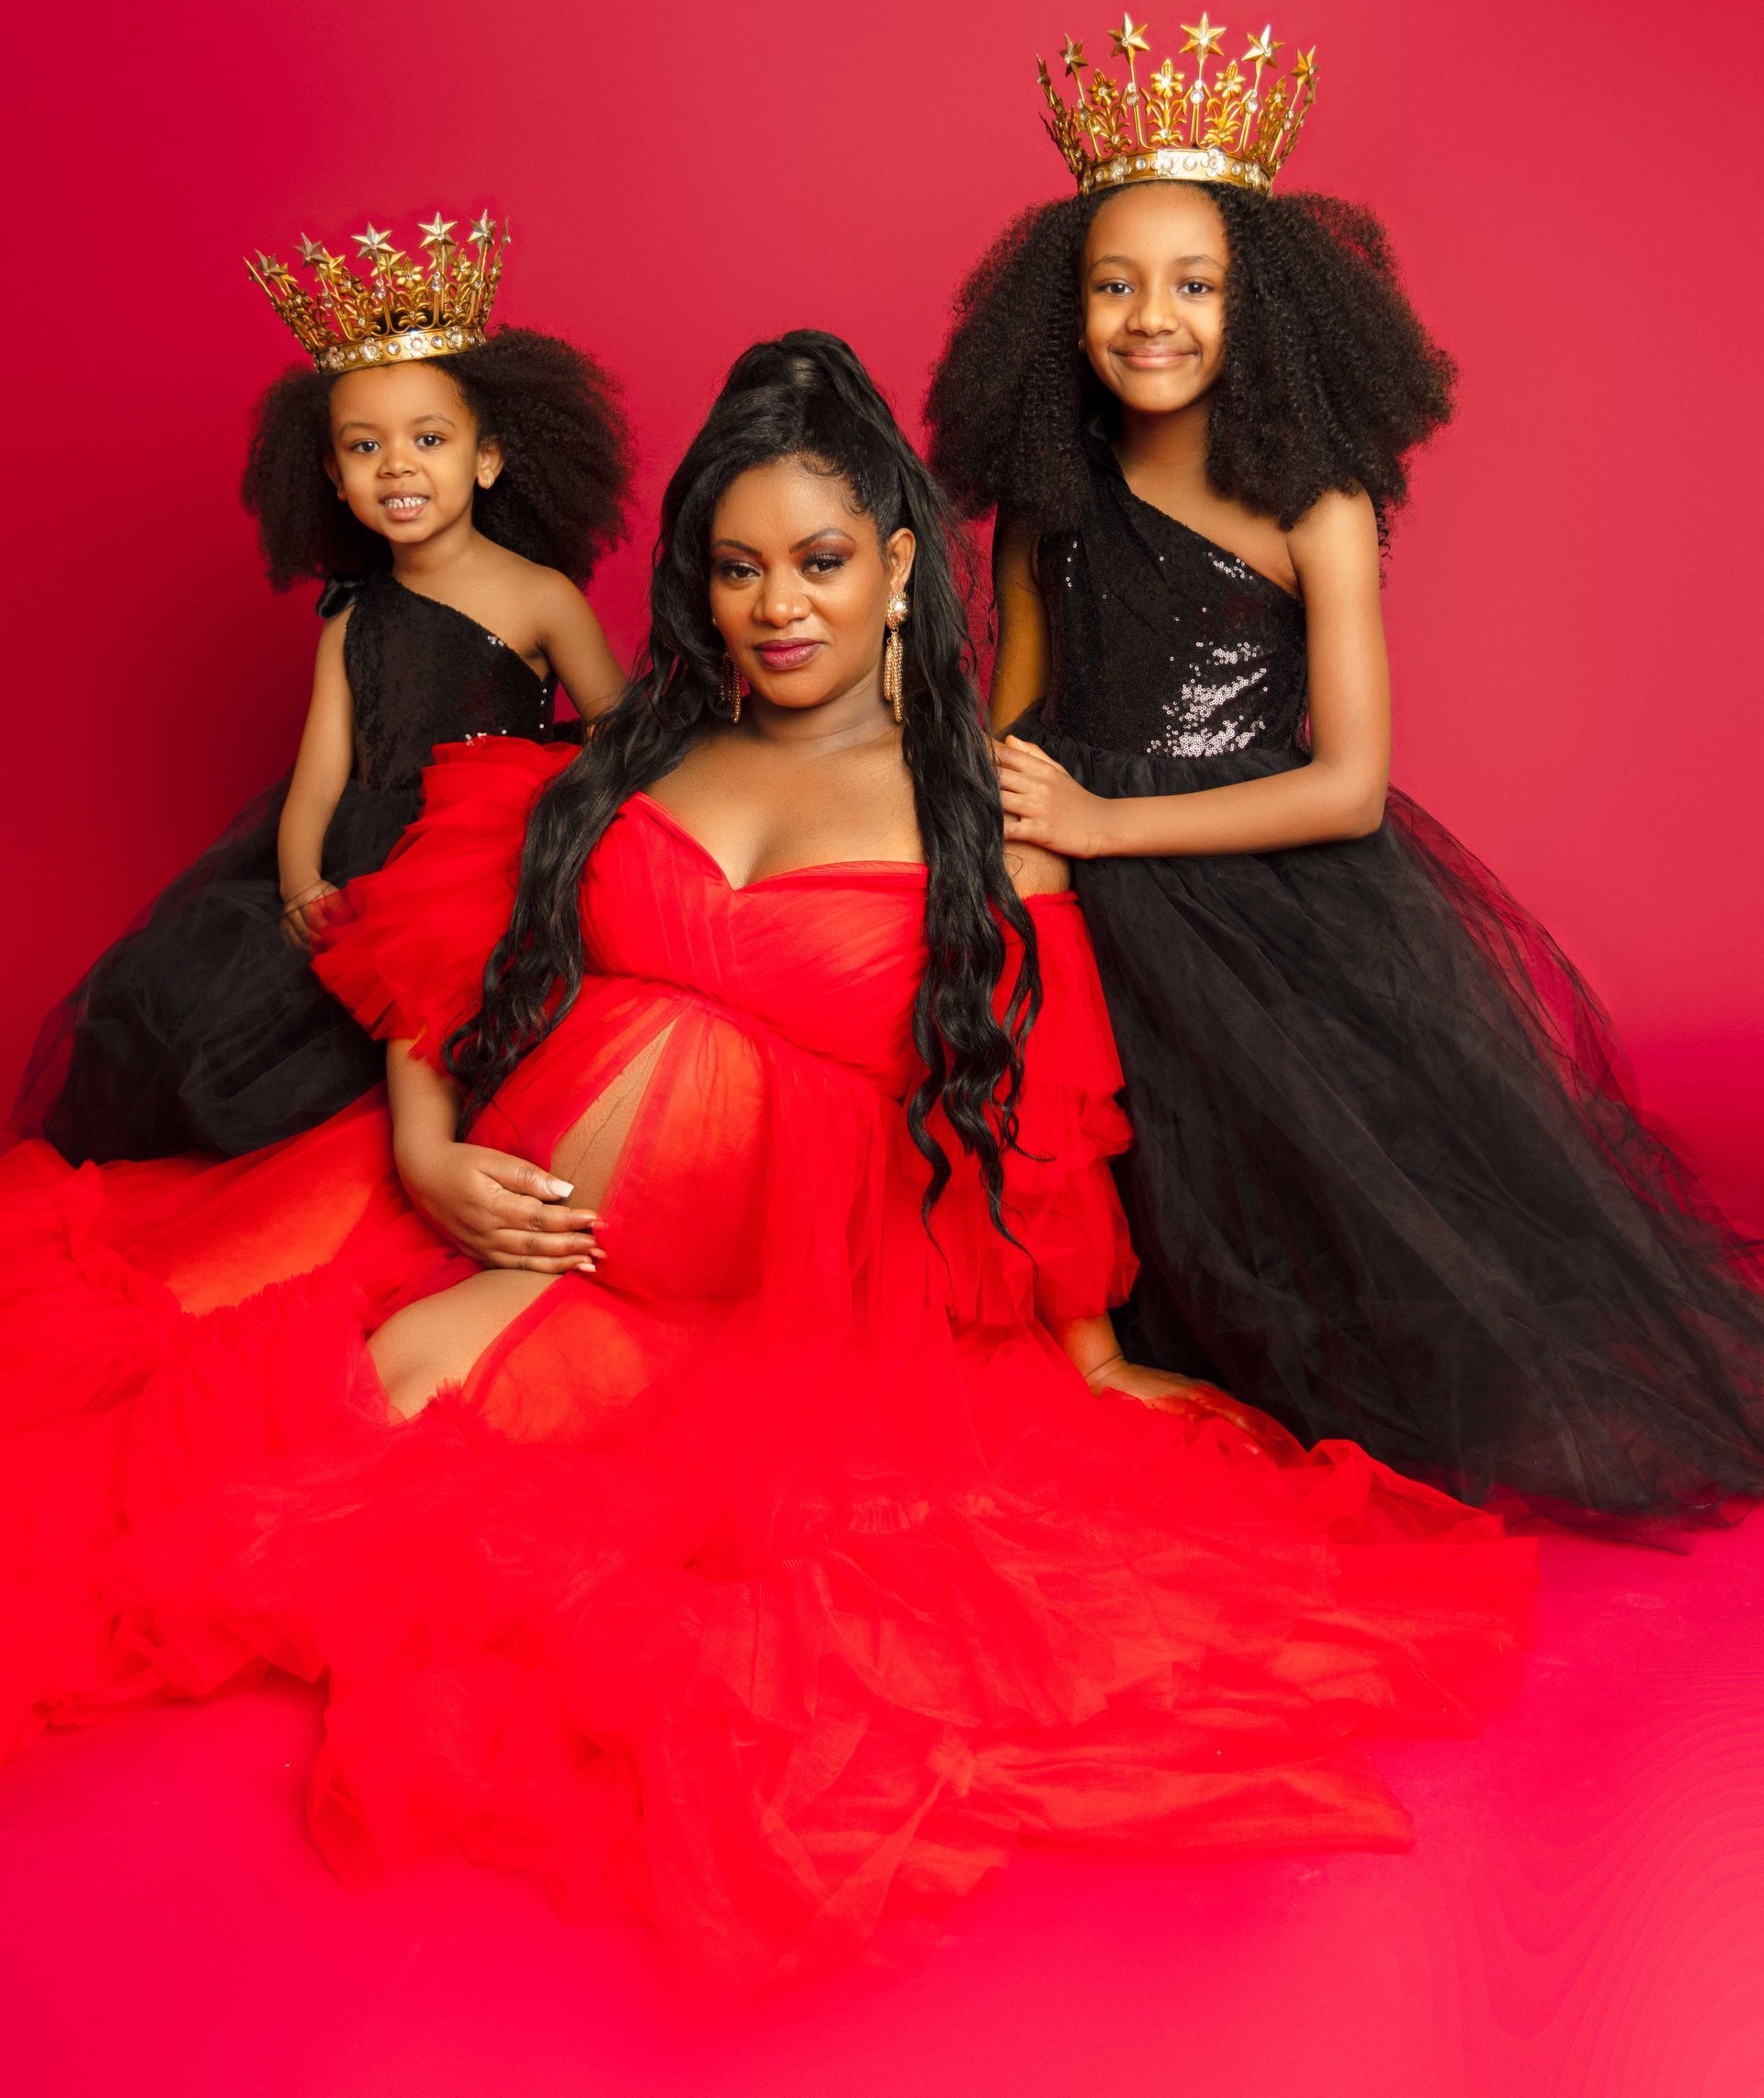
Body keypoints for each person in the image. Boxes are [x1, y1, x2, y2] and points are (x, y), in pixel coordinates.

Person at [0, 334, 1532, 1992]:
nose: (777, 605)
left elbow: (1034, 1107)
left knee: (662, 1617)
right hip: (546, 1256)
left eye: (817, 560)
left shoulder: (987, 814)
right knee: (274, 1445)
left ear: (898, 568)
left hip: (795, 1327)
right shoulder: (634, 756)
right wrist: (433, 1155)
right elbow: (441, 947)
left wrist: (1090, 1351)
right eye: (737, 568)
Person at [924, 8, 1764, 1530]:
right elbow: (1016, 721)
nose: (1151, 316)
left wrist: (1107, 822)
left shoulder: (1314, 504)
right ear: (1062, 311)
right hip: (1064, 869)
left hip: (1251, 879)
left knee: (1299, 1225)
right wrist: (996, 825)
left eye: (1194, 284)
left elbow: (1351, 785)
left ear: (1265, 307)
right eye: (1114, 284)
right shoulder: (1048, 496)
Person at [17, 212, 631, 1163]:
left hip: (487, 866)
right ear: (334, 477)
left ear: (487, 457)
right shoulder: (351, 621)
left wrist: (558, 824)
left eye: (429, 437)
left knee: (456, 1021)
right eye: (363, 446)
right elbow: (317, 778)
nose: (397, 464)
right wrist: (303, 880)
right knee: (202, 1022)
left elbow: (620, 731)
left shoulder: (540, 596)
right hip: (365, 871)